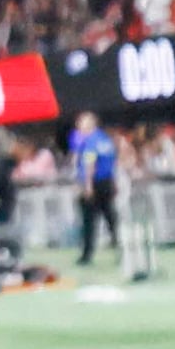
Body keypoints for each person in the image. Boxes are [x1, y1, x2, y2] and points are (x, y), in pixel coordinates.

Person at [69, 114, 122, 266]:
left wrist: (87, 186)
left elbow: (90, 164)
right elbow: (112, 162)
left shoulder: (90, 142)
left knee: (88, 221)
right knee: (110, 218)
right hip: (107, 182)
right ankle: (121, 248)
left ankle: (87, 254)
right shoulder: (105, 140)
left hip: (94, 184)